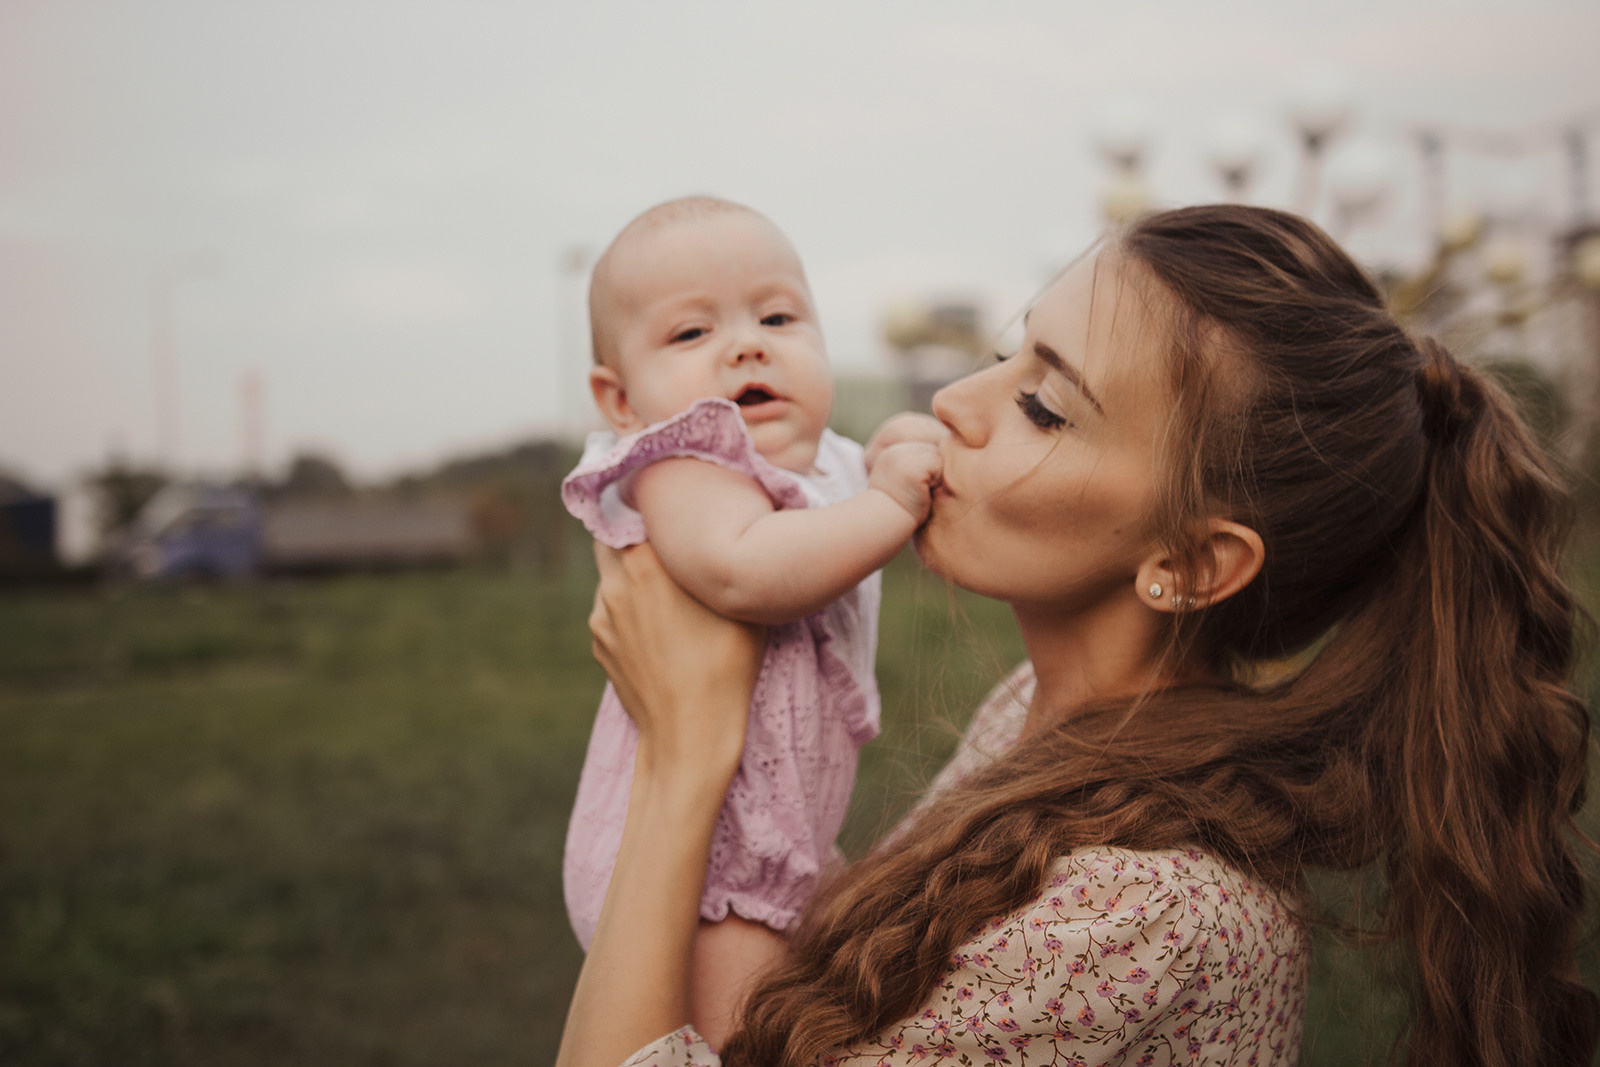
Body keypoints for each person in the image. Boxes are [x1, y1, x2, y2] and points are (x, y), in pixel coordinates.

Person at [557, 204, 1600, 1067]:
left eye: (1045, 406)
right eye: (1008, 350)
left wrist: (683, 761)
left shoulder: (1150, 909)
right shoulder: (1032, 710)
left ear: (1190, 565)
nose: (956, 403)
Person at [560, 195, 943, 1045]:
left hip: (789, 837)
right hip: (708, 871)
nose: (747, 342)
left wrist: (908, 437)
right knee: (750, 1041)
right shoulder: (680, 463)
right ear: (619, 397)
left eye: (778, 315)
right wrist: (889, 504)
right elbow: (744, 570)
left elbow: (878, 451)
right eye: (691, 334)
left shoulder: (822, 458)